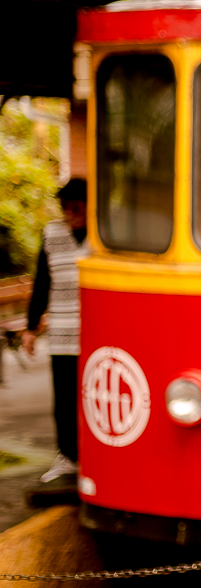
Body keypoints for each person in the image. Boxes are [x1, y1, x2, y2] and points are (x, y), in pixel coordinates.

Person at [23, 177, 89, 485]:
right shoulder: (52, 233)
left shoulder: (102, 238)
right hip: (62, 332)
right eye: (65, 207)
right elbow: (41, 282)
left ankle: (93, 456)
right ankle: (68, 457)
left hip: (96, 335)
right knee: (63, 400)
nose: (69, 213)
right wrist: (31, 328)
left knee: (90, 397)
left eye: (75, 207)